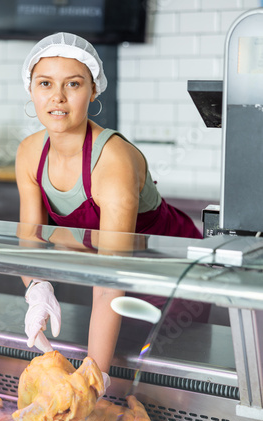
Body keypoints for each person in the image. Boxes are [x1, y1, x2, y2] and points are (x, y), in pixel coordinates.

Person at [16, 32, 202, 385]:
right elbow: (30, 235)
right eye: (45, 83)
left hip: (170, 279)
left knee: (162, 383)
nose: (57, 97)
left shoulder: (111, 160)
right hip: (107, 280)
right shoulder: (29, 153)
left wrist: (92, 381)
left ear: (93, 90)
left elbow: (109, 281)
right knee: (118, 373)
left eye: (73, 83)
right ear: (31, 90)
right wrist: (36, 286)